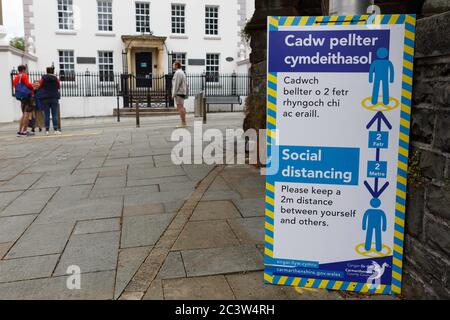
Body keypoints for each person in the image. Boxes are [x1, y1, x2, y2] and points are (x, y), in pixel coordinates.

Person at [12, 65, 35, 136]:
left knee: (24, 114)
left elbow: (15, 86)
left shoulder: (16, 77)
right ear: (23, 70)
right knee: (27, 113)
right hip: (27, 96)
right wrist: (33, 86)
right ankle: (24, 131)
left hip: (21, 97)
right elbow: (28, 84)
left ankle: (20, 131)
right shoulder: (24, 75)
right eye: (25, 69)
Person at [39, 66, 61, 135]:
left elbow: (40, 85)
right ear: (53, 71)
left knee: (47, 115)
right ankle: (55, 130)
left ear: (47, 71)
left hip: (45, 97)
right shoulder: (56, 78)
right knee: (54, 114)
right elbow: (58, 86)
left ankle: (47, 130)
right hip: (54, 97)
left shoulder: (43, 78)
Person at [171, 61, 188, 127]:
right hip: (182, 92)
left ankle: (183, 123)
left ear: (176, 66)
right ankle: (184, 122)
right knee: (182, 107)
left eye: (173, 65)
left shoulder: (178, 73)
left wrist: (173, 94)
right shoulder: (182, 72)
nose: (173, 66)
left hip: (179, 93)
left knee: (180, 108)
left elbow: (176, 84)